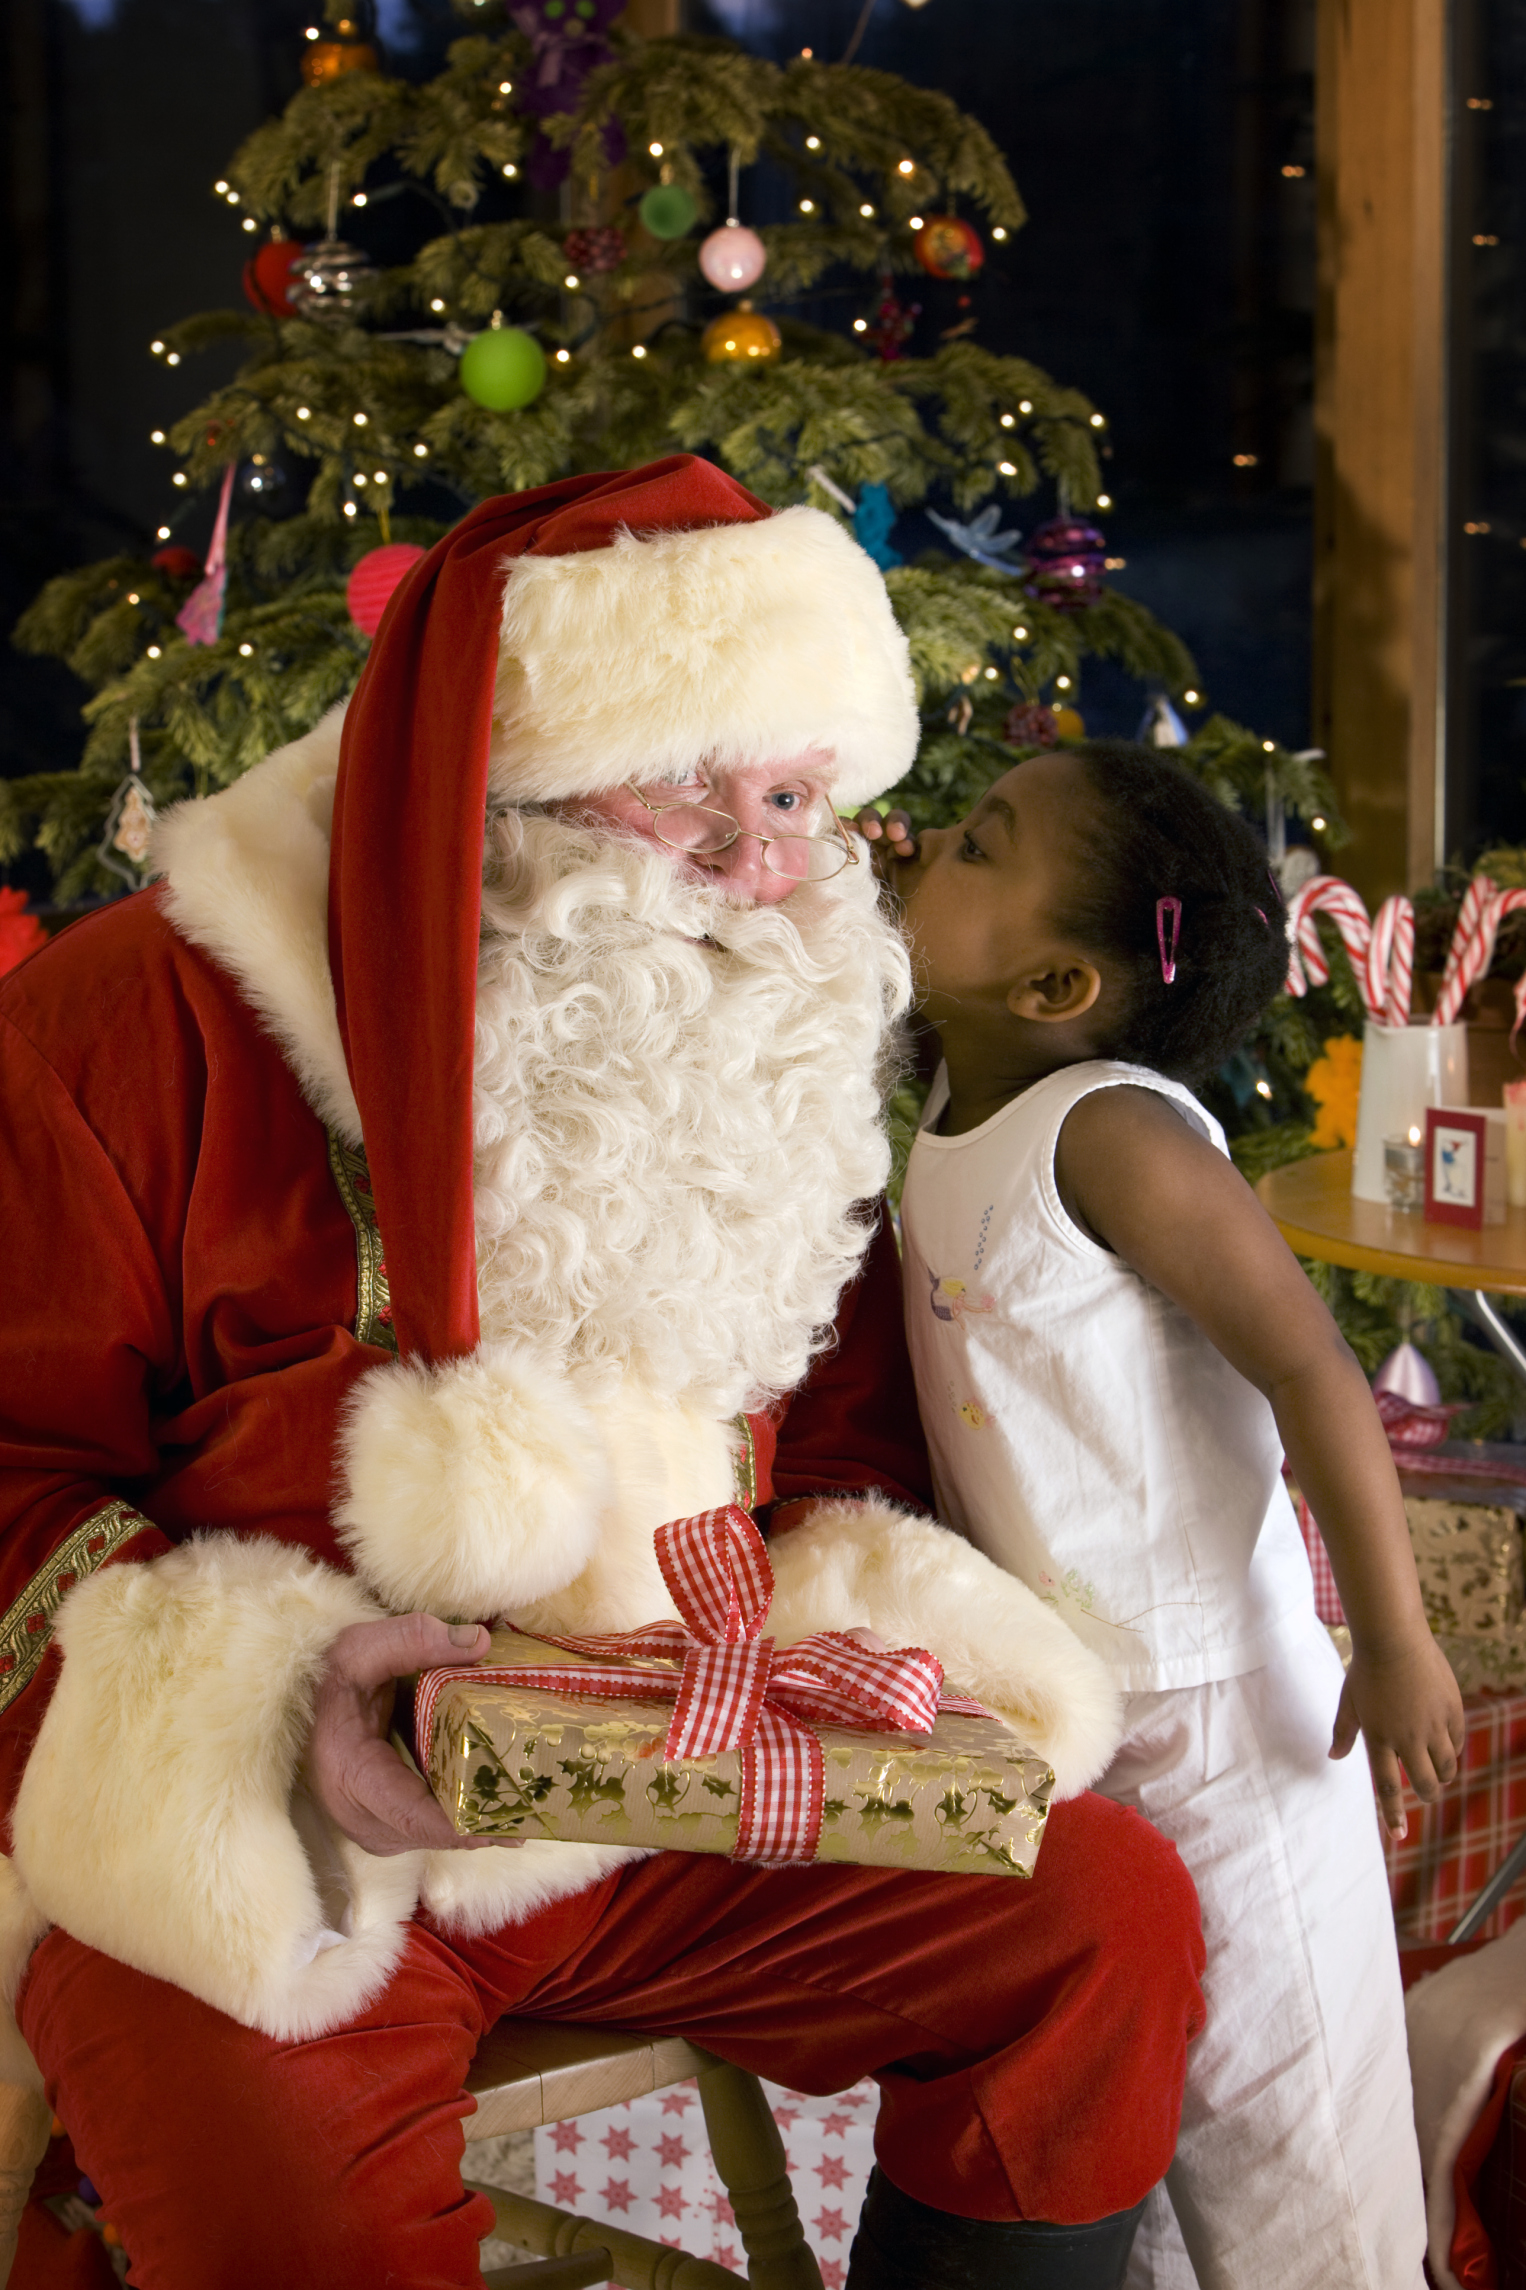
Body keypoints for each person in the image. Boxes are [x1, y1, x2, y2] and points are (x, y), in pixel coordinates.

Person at [0, 465, 1205, 2290]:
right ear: (493, 788)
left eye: (794, 793)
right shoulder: (130, 1022)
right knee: (284, 2200)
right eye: (687, 786)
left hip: (677, 1783)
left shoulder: (763, 1034)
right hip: (290, 1833)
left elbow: (840, 1448)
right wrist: (273, 1711)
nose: (757, 865)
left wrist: (827, 1632)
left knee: (1098, 1920)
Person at [875, 738, 1462, 2290]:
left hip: (1227, 1727)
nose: (936, 835)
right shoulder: (949, 1095)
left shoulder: (1111, 1131)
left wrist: (1388, 1635)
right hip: (1068, 1726)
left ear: (1059, 989)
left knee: (1296, 2169)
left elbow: (1306, 1360)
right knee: (1140, 2167)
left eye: (979, 846)